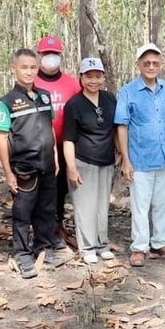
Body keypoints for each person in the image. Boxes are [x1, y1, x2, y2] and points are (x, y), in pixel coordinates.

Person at [0, 49, 68, 279]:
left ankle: (43, 248)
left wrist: (55, 156)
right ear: (14, 69)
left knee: (46, 209)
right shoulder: (7, 102)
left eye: (33, 67)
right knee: (23, 211)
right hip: (24, 167)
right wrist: (8, 173)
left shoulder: (45, 96)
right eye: (24, 67)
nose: (29, 72)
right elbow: (1, 137)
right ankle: (21, 253)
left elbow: (48, 129)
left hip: (47, 164)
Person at [115, 44, 165, 267]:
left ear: (161, 65)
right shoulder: (127, 92)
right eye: (146, 63)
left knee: (164, 202)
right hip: (139, 158)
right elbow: (122, 127)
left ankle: (160, 242)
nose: (151, 67)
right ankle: (140, 247)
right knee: (140, 205)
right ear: (138, 65)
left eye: (155, 63)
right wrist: (126, 160)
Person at [63, 57, 117, 264]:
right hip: (84, 161)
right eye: (89, 76)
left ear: (103, 77)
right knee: (85, 206)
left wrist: (120, 152)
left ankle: (102, 243)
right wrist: (72, 168)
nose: (94, 81)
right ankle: (87, 247)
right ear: (81, 78)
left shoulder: (109, 99)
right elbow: (68, 139)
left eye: (98, 76)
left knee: (102, 205)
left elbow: (115, 128)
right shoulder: (74, 105)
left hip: (107, 160)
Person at [35, 35, 80, 252]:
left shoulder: (72, 83)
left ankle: (58, 225)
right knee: (43, 190)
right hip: (40, 147)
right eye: (46, 54)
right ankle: (42, 229)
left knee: (61, 189)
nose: (50, 58)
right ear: (39, 56)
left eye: (55, 54)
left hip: (66, 146)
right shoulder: (32, 82)